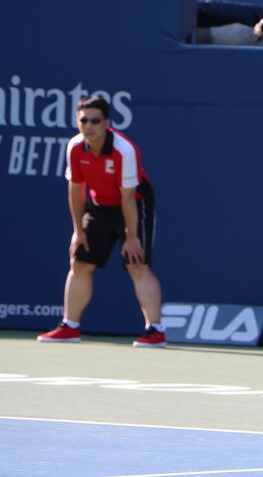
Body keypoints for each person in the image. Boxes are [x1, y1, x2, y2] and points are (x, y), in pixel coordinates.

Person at [37, 96, 167, 348]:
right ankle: (70, 326)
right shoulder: (75, 146)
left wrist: (131, 237)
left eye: (95, 121)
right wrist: (78, 231)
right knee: (80, 262)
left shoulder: (124, 149)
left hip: (134, 203)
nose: (89, 126)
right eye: (84, 120)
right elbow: (76, 190)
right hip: (98, 206)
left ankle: (155, 331)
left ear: (106, 122)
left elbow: (128, 197)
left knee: (136, 264)